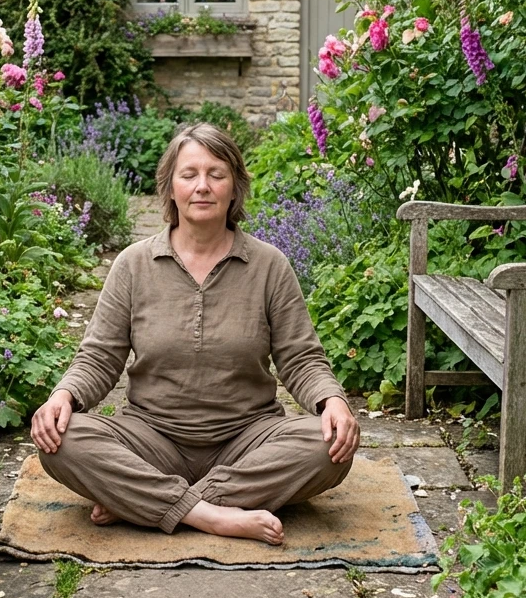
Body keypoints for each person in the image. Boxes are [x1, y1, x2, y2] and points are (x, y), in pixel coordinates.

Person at [31, 123, 360, 546]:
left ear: (234, 187)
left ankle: (146, 501)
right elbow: (99, 357)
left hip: (248, 438)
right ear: (170, 187)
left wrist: (331, 401)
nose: (202, 186)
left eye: (216, 174)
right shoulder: (133, 265)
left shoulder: (269, 266)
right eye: (189, 174)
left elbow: (301, 358)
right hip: (150, 438)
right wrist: (63, 396)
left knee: (329, 445)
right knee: (62, 440)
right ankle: (213, 514)